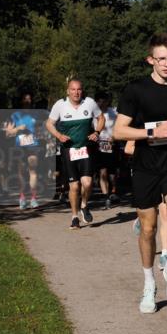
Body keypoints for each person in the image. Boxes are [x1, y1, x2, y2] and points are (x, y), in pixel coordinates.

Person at [113, 33, 167, 313]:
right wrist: (151, 132)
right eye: (161, 58)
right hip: (145, 165)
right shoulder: (136, 90)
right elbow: (118, 131)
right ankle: (148, 284)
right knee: (148, 228)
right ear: (151, 59)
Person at [46, 79, 104, 230]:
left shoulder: (89, 103)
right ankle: (74, 217)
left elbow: (101, 117)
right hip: (69, 150)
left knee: (88, 183)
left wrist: (97, 132)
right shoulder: (60, 105)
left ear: (82, 91)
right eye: (73, 89)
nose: (76, 92)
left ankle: (84, 205)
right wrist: (59, 136)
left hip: (85, 148)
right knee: (74, 186)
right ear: (68, 91)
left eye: (79, 89)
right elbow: (49, 124)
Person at [5, 91, 42, 209]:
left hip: (33, 145)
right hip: (19, 146)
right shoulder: (15, 115)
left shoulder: (36, 114)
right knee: (21, 173)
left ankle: (33, 198)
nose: (28, 101)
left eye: (29, 99)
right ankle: (22, 198)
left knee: (33, 171)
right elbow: (8, 133)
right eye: (25, 99)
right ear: (21, 100)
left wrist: (38, 134)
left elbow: (40, 130)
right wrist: (18, 129)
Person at [95, 92, 119, 209]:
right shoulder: (93, 114)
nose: (102, 103)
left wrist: (114, 137)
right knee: (102, 171)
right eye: (99, 101)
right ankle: (106, 196)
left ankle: (113, 191)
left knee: (112, 173)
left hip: (112, 144)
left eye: (104, 100)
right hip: (98, 145)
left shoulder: (114, 112)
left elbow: (119, 126)